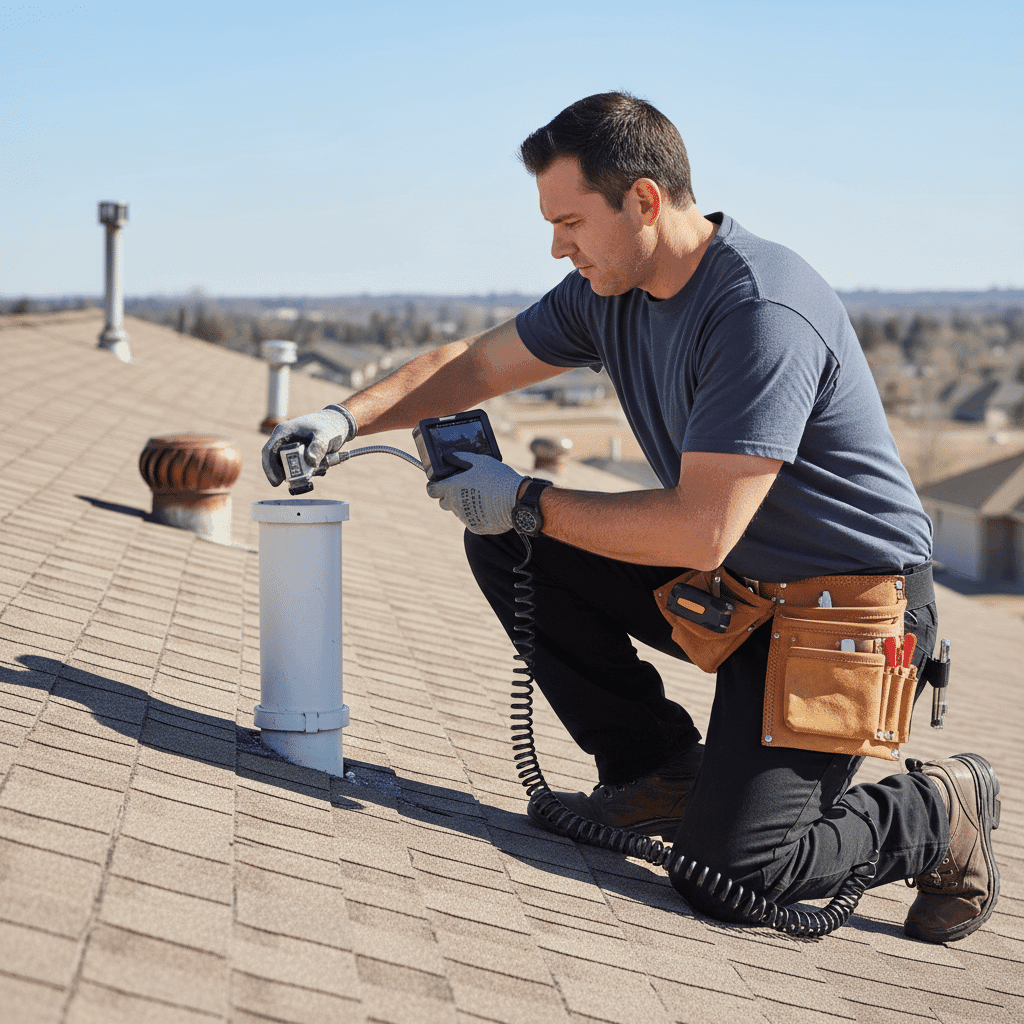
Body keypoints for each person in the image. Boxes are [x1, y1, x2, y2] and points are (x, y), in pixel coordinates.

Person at [262, 92, 999, 942]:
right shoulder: (607, 289)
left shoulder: (761, 311)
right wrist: (343, 418)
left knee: (732, 880)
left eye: (571, 220)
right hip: (741, 582)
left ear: (644, 201)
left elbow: (699, 528)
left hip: (844, 615)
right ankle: (658, 771)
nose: (556, 245)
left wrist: (528, 497)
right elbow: (470, 363)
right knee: (511, 544)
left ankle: (939, 811)